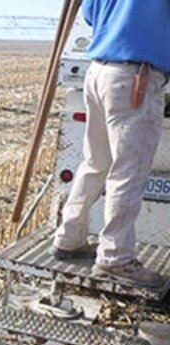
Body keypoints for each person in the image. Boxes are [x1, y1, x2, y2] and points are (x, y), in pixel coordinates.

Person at [52, 0, 170, 287]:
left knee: (96, 163)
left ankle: (69, 238)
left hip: (99, 72)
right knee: (128, 172)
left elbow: (90, 15)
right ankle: (116, 258)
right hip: (135, 78)